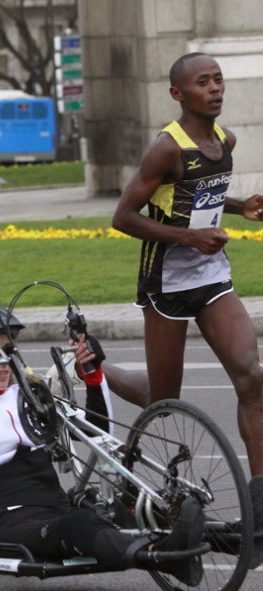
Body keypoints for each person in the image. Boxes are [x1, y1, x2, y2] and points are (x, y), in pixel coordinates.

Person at [0, 304, 207, 586]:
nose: (2, 362)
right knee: (80, 524)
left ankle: (240, 535)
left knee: (120, 506)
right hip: (8, 521)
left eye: (8, 351)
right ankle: (164, 555)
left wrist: (94, 376)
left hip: (55, 506)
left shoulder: (24, 395)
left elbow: (98, 431)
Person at [110, 51, 263, 531]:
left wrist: (240, 207)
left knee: (253, 379)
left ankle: (258, 506)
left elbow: (198, 198)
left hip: (212, 277)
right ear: (179, 94)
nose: (215, 88)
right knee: (163, 398)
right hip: (167, 285)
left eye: (218, 80)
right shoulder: (166, 149)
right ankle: (92, 368)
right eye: (203, 82)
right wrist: (189, 238)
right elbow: (123, 217)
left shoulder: (225, 140)